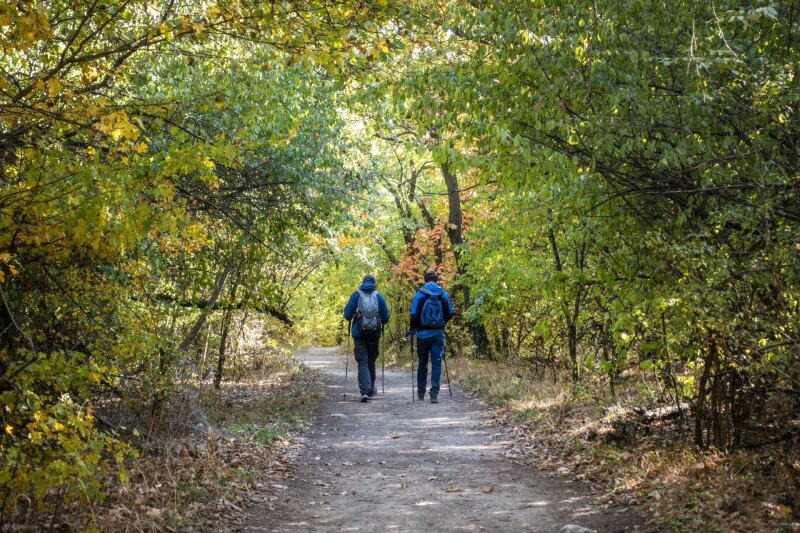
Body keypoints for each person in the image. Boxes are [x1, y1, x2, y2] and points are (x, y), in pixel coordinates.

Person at [343, 274, 390, 402]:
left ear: (362, 282)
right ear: (374, 283)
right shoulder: (378, 296)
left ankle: (364, 390)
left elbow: (347, 315)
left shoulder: (356, 295)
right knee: (371, 361)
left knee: (362, 361)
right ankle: (370, 390)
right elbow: (386, 318)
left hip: (359, 334)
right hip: (374, 334)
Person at [409, 270, 454, 403]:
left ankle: (421, 393)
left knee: (422, 363)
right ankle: (434, 393)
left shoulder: (420, 294)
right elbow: (450, 313)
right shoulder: (443, 294)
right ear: (436, 280)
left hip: (422, 334)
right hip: (438, 334)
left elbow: (413, 314)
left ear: (425, 280)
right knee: (437, 363)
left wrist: (413, 329)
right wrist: (441, 323)